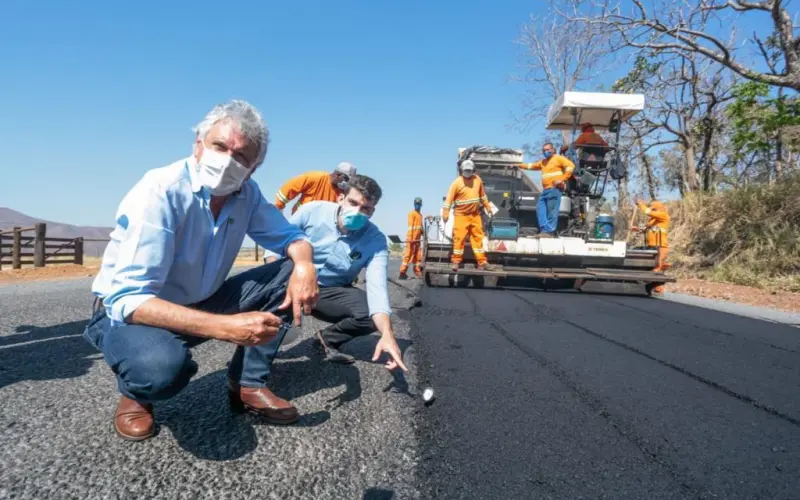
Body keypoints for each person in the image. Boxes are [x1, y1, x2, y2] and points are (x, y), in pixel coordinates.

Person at [83, 100, 320, 442]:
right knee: (161, 369)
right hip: (130, 314)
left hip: (200, 300)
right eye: (219, 146)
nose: (227, 161)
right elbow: (129, 300)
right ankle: (137, 393)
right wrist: (225, 327)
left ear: (253, 169)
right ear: (198, 143)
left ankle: (247, 384)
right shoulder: (160, 190)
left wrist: (305, 264)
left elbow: (291, 236)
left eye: (240, 157)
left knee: (287, 272)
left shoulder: (246, 193)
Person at [287, 175, 408, 370]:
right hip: (292, 280)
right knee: (271, 332)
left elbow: (377, 288)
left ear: (372, 212)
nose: (357, 212)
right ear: (340, 198)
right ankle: (251, 371)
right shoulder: (311, 212)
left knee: (370, 316)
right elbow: (275, 250)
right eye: (352, 203)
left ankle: (326, 339)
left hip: (329, 291)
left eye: (365, 209)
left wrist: (387, 334)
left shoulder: (375, 240)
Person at [442, 160, 494, 272]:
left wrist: (487, 207)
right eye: (466, 171)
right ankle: (456, 262)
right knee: (459, 239)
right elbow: (448, 199)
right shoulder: (456, 183)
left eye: (469, 171)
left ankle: (482, 262)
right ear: (462, 170)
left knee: (477, 238)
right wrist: (445, 213)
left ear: (473, 170)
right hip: (461, 215)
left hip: (475, 215)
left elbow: (482, 196)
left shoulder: (477, 180)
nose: (468, 172)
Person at [518, 143, 576, 238]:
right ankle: (545, 230)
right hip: (545, 190)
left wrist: (562, 179)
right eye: (544, 150)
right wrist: (519, 165)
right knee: (540, 209)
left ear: (553, 150)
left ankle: (549, 232)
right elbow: (532, 166)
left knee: (552, 210)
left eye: (548, 149)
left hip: (555, 189)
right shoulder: (543, 162)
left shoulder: (558, 158)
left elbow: (571, 166)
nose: (546, 152)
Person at [274, 162, 357, 214]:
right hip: (300, 220)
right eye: (346, 179)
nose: (347, 183)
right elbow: (288, 189)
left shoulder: (343, 193)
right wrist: (278, 208)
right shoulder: (314, 178)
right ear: (338, 175)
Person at [635, 198, 671, 294]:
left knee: (657, 266)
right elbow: (646, 228)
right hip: (651, 247)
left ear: (657, 209)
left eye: (653, 209)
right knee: (650, 266)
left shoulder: (663, 215)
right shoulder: (653, 220)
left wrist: (640, 204)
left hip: (660, 246)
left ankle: (658, 288)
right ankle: (654, 286)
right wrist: (637, 229)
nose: (652, 210)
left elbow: (647, 212)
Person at [398, 197, 425, 280]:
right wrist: (410, 238)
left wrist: (423, 232)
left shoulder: (420, 215)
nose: (417, 206)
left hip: (417, 240)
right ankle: (402, 274)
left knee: (418, 257)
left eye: (418, 204)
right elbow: (410, 227)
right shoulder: (411, 214)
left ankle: (418, 272)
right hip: (411, 239)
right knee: (408, 256)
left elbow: (420, 227)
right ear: (414, 204)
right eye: (416, 204)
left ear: (421, 205)